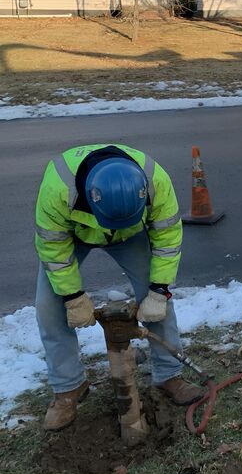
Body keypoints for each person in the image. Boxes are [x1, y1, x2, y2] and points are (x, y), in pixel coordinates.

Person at [34, 143, 202, 431]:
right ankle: (68, 387)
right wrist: (73, 296)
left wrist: (159, 290)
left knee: (159, 304)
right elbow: (53, 249)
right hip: (76, 235)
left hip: (130, 234)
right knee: (48, 308)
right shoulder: (57, 189)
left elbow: (167, 240)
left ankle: (169, 375)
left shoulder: (155, 182)